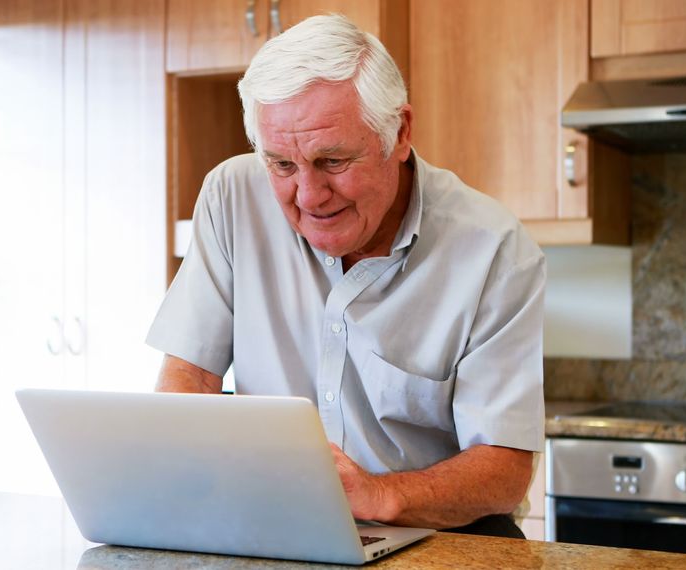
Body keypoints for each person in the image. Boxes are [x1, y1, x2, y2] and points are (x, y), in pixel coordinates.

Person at [146, 14, 545, 538]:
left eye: (332, 160)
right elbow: (188, 381)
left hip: (441, 540)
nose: (309, 197)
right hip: (276, 528)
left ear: (399, 133)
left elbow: (503, 472)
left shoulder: (495, 251)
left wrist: (380, 495)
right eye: (282, 166)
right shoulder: (232, 197)